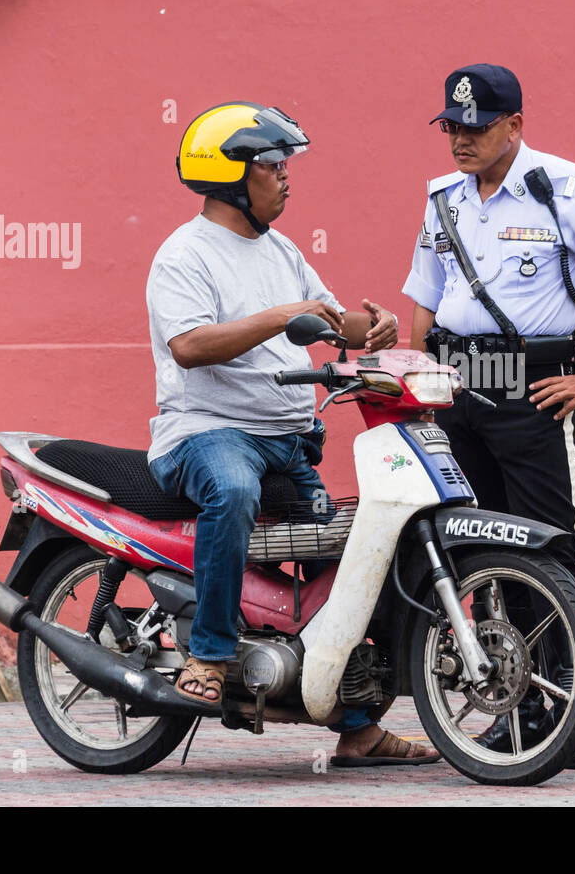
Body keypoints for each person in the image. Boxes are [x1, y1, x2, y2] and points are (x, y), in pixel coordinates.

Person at [147, 101, 438, 767]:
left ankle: (358, 721)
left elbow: (331, 323)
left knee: (354, 550)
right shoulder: (183, 255)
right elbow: (189, 345)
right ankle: (212, 654)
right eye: (272, 165)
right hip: (210, 433)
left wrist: (377, 327)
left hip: (289, 438)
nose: (286, 177)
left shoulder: (282, 251)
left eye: (286, 165)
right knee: (231, 491)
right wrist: (282, 317)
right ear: (230, 177)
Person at [402, 65, 575, 769]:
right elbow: (427, 295)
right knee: (478, 551)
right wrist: (421, 373)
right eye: (452, 126)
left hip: (531, 391)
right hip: (457, 391)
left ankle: (573, 717)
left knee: (546, 549)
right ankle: (516, 705)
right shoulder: (444, 200)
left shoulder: (568, 189)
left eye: (476, 126)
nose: (460, 138)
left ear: (515, 125)